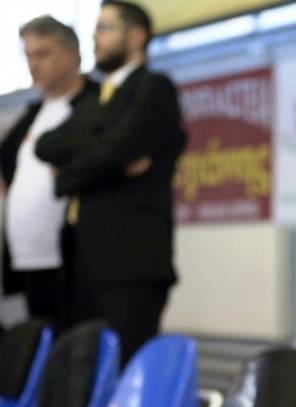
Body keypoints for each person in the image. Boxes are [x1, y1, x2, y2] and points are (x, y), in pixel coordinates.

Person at [35, 0, 185, 365]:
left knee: (123, 373)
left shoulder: (154, 88)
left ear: (136, 36)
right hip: (81, 261)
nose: (94, 37)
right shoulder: (98, 101)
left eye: (105, 28)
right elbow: (46, 145)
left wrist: (67, 174)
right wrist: (107, 154)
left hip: (129, 263)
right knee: (81, 376)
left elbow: (116, 150)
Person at [0, 16, 98, 324]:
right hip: (29, 259)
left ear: (72, 53)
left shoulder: (98, 105)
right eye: (28, 55)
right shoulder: (31, 115)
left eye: (42, 54)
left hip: (77, 261)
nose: (34, 64)